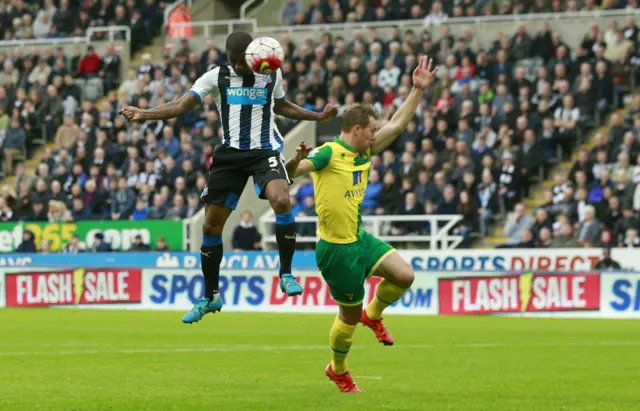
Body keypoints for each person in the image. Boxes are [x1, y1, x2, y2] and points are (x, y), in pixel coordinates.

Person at [120, 31, 337, 324]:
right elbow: (180, 105)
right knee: (210, 225)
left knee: (282, 199)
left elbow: (282, 106)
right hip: (230, 156)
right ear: (228, 58)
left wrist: (318, 116)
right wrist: (143, 114)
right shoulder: (215, 76)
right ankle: (210, 296)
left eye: (242, 61)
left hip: (264, 151)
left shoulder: (270, 73)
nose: (238, 65)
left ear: (251, 56)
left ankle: (286, 273)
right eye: (233, 60)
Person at [285, 56, 438, 393]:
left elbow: (396, 126)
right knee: (347, 319)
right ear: (356, 130)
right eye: (370, 131)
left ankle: (375, 313)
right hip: (336, 251)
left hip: (359, 239)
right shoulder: (328, 153)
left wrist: (417, 90)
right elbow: (295, 171)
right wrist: (295, 160)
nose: (375, 136)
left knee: (404, 276)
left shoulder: (363, 152)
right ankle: (337, 368)